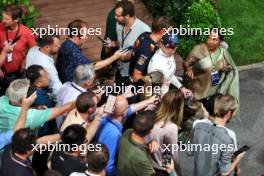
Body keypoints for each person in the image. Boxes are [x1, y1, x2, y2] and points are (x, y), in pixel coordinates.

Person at [95, 95, 158, 175]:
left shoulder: (104, 117)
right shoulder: (114, 134)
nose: (129, 108)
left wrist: (148, 101)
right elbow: (108, 166)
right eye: (127, 107)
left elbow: (128, 110)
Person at [183, 28, 239, 115]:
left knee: (212, 114)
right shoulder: (198, 49)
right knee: (196, 115)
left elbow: (231, 67)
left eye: (214, 39)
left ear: (220, 41)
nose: (210, 42)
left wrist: (224, 68)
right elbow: (186, 63)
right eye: (209, 38)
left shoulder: (223, 52)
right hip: (198, 92)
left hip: (214, 90)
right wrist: (188, 68)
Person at [189, 94, 245, 176]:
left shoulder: (198, 126)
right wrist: (238, 158)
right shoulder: (228, 137)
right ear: (229, 113)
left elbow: (190, 152)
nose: (235, 114)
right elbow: (224, 172)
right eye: (235, 111)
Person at [56, 19, 127, 83]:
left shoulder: (65, 44)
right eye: (85, 35)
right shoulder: (74, 52)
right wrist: (115, 57)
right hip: (71, 83)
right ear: (76, 36)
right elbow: (93, 66)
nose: (87, 37)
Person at [0, 79, 75, 133]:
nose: (35, 95)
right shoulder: (31, 116)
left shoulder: (2, 99)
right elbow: (63, 108)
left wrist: (33, 108)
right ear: (26, 100)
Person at [108, 0, 151, 85]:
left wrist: (130, 56)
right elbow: (122, 42)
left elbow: (147, 54)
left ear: (127, 16)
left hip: (132, 75)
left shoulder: (145, 31)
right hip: (120, 69)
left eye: (118, 15)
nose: (115, 17)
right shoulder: (119, 23)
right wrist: (113, 43)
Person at [0, 4, 36, 95]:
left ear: (16, 20)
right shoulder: (0, 27)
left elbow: (34, 51)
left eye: (7, 19)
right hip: (3, 73)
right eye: (3, 17)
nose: (3, 20)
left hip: (19, 73)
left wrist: (25, 62)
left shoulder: (26, 32)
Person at [148, 32, 191, 97]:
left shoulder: (167, 53)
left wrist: (182, 88)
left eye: (174, 47)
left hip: (167, 87)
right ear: (161, 44)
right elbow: (155, 93)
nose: (171, 50)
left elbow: (169, 75)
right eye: (168, 46)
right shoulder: (156, 65)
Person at [129, 17, 172, 82]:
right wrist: (157, 81)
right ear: (163, 31)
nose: (171, 34)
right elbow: (136, 77)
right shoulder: (147, 49)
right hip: (139, 86)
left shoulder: (145, 35)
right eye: (170, 32)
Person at [56, 64, 97, 128]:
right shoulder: (79, 99)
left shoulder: (66, 84)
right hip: (67, 129)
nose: (94, 79)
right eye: (93, 78)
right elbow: (85, 117)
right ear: (88, 82)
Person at [117, 111, 155, 176]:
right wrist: (171, 172)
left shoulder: (128, 132)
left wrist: (149, 143)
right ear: (150, 131)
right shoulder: (141, 159)